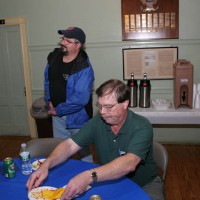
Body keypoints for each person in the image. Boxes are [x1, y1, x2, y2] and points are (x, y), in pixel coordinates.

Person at [27, 79, 164, 200]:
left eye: (109, 107)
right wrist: (46, 164)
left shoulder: (141, 126)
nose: (103, 112)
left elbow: (129, 164)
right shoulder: (98, 122)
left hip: (145, 185)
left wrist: (88, 176)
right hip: (110, 180)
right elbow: (69, 146)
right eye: (100, 106)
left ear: (125, 104)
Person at [44, 26, 94, 140]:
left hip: (77, 117)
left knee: (83, 154)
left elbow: (80, 99)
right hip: (56, 114)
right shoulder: (53, 58)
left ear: (78, 45)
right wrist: (49, 101)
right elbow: (47, 81)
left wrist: (58, 110)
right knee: (59, 151)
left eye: (68, 41)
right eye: (63, 38)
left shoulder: (84, 68)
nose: (62, 42)